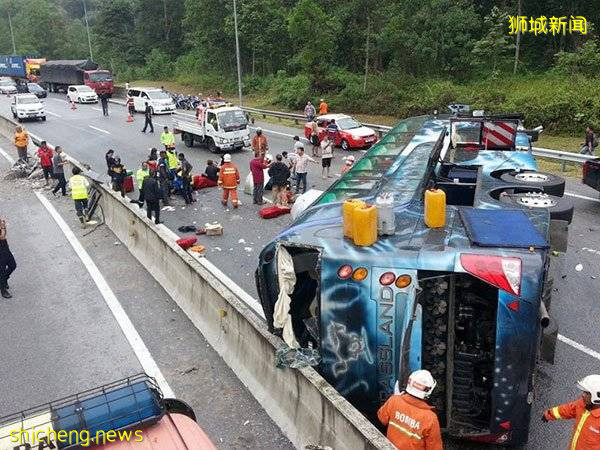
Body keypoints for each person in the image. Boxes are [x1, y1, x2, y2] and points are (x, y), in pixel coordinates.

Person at [378, 370, 443, 450]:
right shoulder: (430, 418)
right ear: (428, 391)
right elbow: (434, 447)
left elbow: (381, 418)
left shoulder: (394, 400)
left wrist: (395, 398)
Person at [542, 374, 600, 450]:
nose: (582, 395)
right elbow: (566, 410)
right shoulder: (581, 404)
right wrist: (549, 414)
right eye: (583, 392)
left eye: (587, 393)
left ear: (597, 396)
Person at [0, 218, 16, 299]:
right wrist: (2, 227)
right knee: (1, 271)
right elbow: (2, 236)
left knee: (13, 265)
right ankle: (3, 290)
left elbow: (4, 234)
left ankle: (4, 280)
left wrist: (3, 226)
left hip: (5, 248)